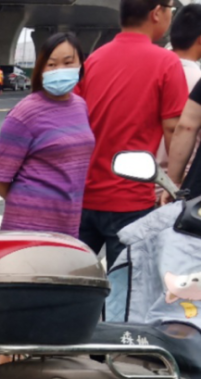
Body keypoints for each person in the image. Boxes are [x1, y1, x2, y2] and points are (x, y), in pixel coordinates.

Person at [76, 0, 186, 268]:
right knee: (126, 296)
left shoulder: (94, 59)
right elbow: (175, 128)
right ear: (156, 12)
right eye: (170, 7)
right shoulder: (167, 62)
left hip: (83, 197)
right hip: (131, 201)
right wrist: (174, 184)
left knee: (72, 286)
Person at [0, 33, 94, 238]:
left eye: (68, 62)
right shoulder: (25, 112)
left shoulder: (80, 106)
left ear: (81, 64)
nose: (60, 70)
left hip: (69, 221)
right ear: (41, 68)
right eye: (52, 64)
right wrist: (30, 204)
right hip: (28, 227)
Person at [157, 3, 201, 181]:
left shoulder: (148, 72)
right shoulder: (197, 80)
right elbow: (185, 128)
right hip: (182, 187)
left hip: (138, 185)